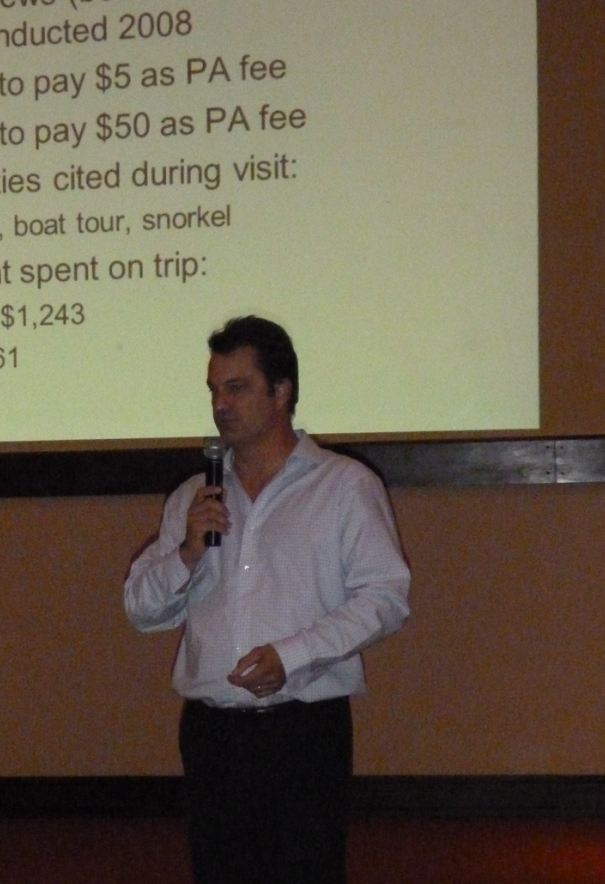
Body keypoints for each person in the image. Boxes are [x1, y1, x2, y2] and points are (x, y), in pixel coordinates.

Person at [124, 315, 410, 884]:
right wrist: (187, 552)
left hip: (304, 731)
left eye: (237, 388)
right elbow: (141, 610)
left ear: (282, 392)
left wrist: (293, 656)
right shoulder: (194, 496)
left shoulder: (343, 486)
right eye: (213, 389)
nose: (220, 405)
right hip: (212, 735)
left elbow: (385, 597)